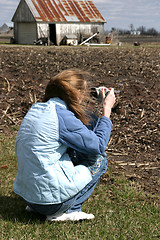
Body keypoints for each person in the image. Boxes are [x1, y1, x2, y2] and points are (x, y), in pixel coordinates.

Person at [13, 69, 116, 221]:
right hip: (50, 204)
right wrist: (107, 110)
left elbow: (75, 127)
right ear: (77, 93)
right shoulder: (62, 116)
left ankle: (39, 205)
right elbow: (98, 145)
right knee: (99, 159)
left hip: (28, 197)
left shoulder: (38, 108)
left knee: (73, 151)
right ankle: (69, 210)